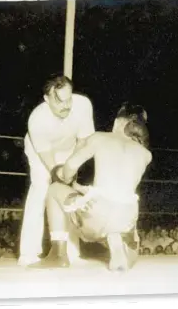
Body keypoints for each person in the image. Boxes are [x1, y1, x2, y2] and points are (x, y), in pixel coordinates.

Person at [28, 103, 152, 271]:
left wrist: (65, 175)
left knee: (54, 189)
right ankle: (116, 240)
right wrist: (84, 189)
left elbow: (69, 169)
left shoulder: (99, 137)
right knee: (130, 259)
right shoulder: (145, 154)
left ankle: (58, 255)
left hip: (96, 214)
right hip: (126, 218)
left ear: (118, 122)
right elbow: (117, 187)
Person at [18, 75, 95, 266]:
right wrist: (59, 174)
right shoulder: (36, 119)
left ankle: (72, 252)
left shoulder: (83, 104)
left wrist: (71, 167)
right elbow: (49, 161)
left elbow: (84, 141)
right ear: (47, 98)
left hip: (70, 150)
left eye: (69, 98)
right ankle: (28, 253)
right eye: (60, 100)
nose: (67, 105)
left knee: (68, 194)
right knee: (41, 190)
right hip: (42, 153)